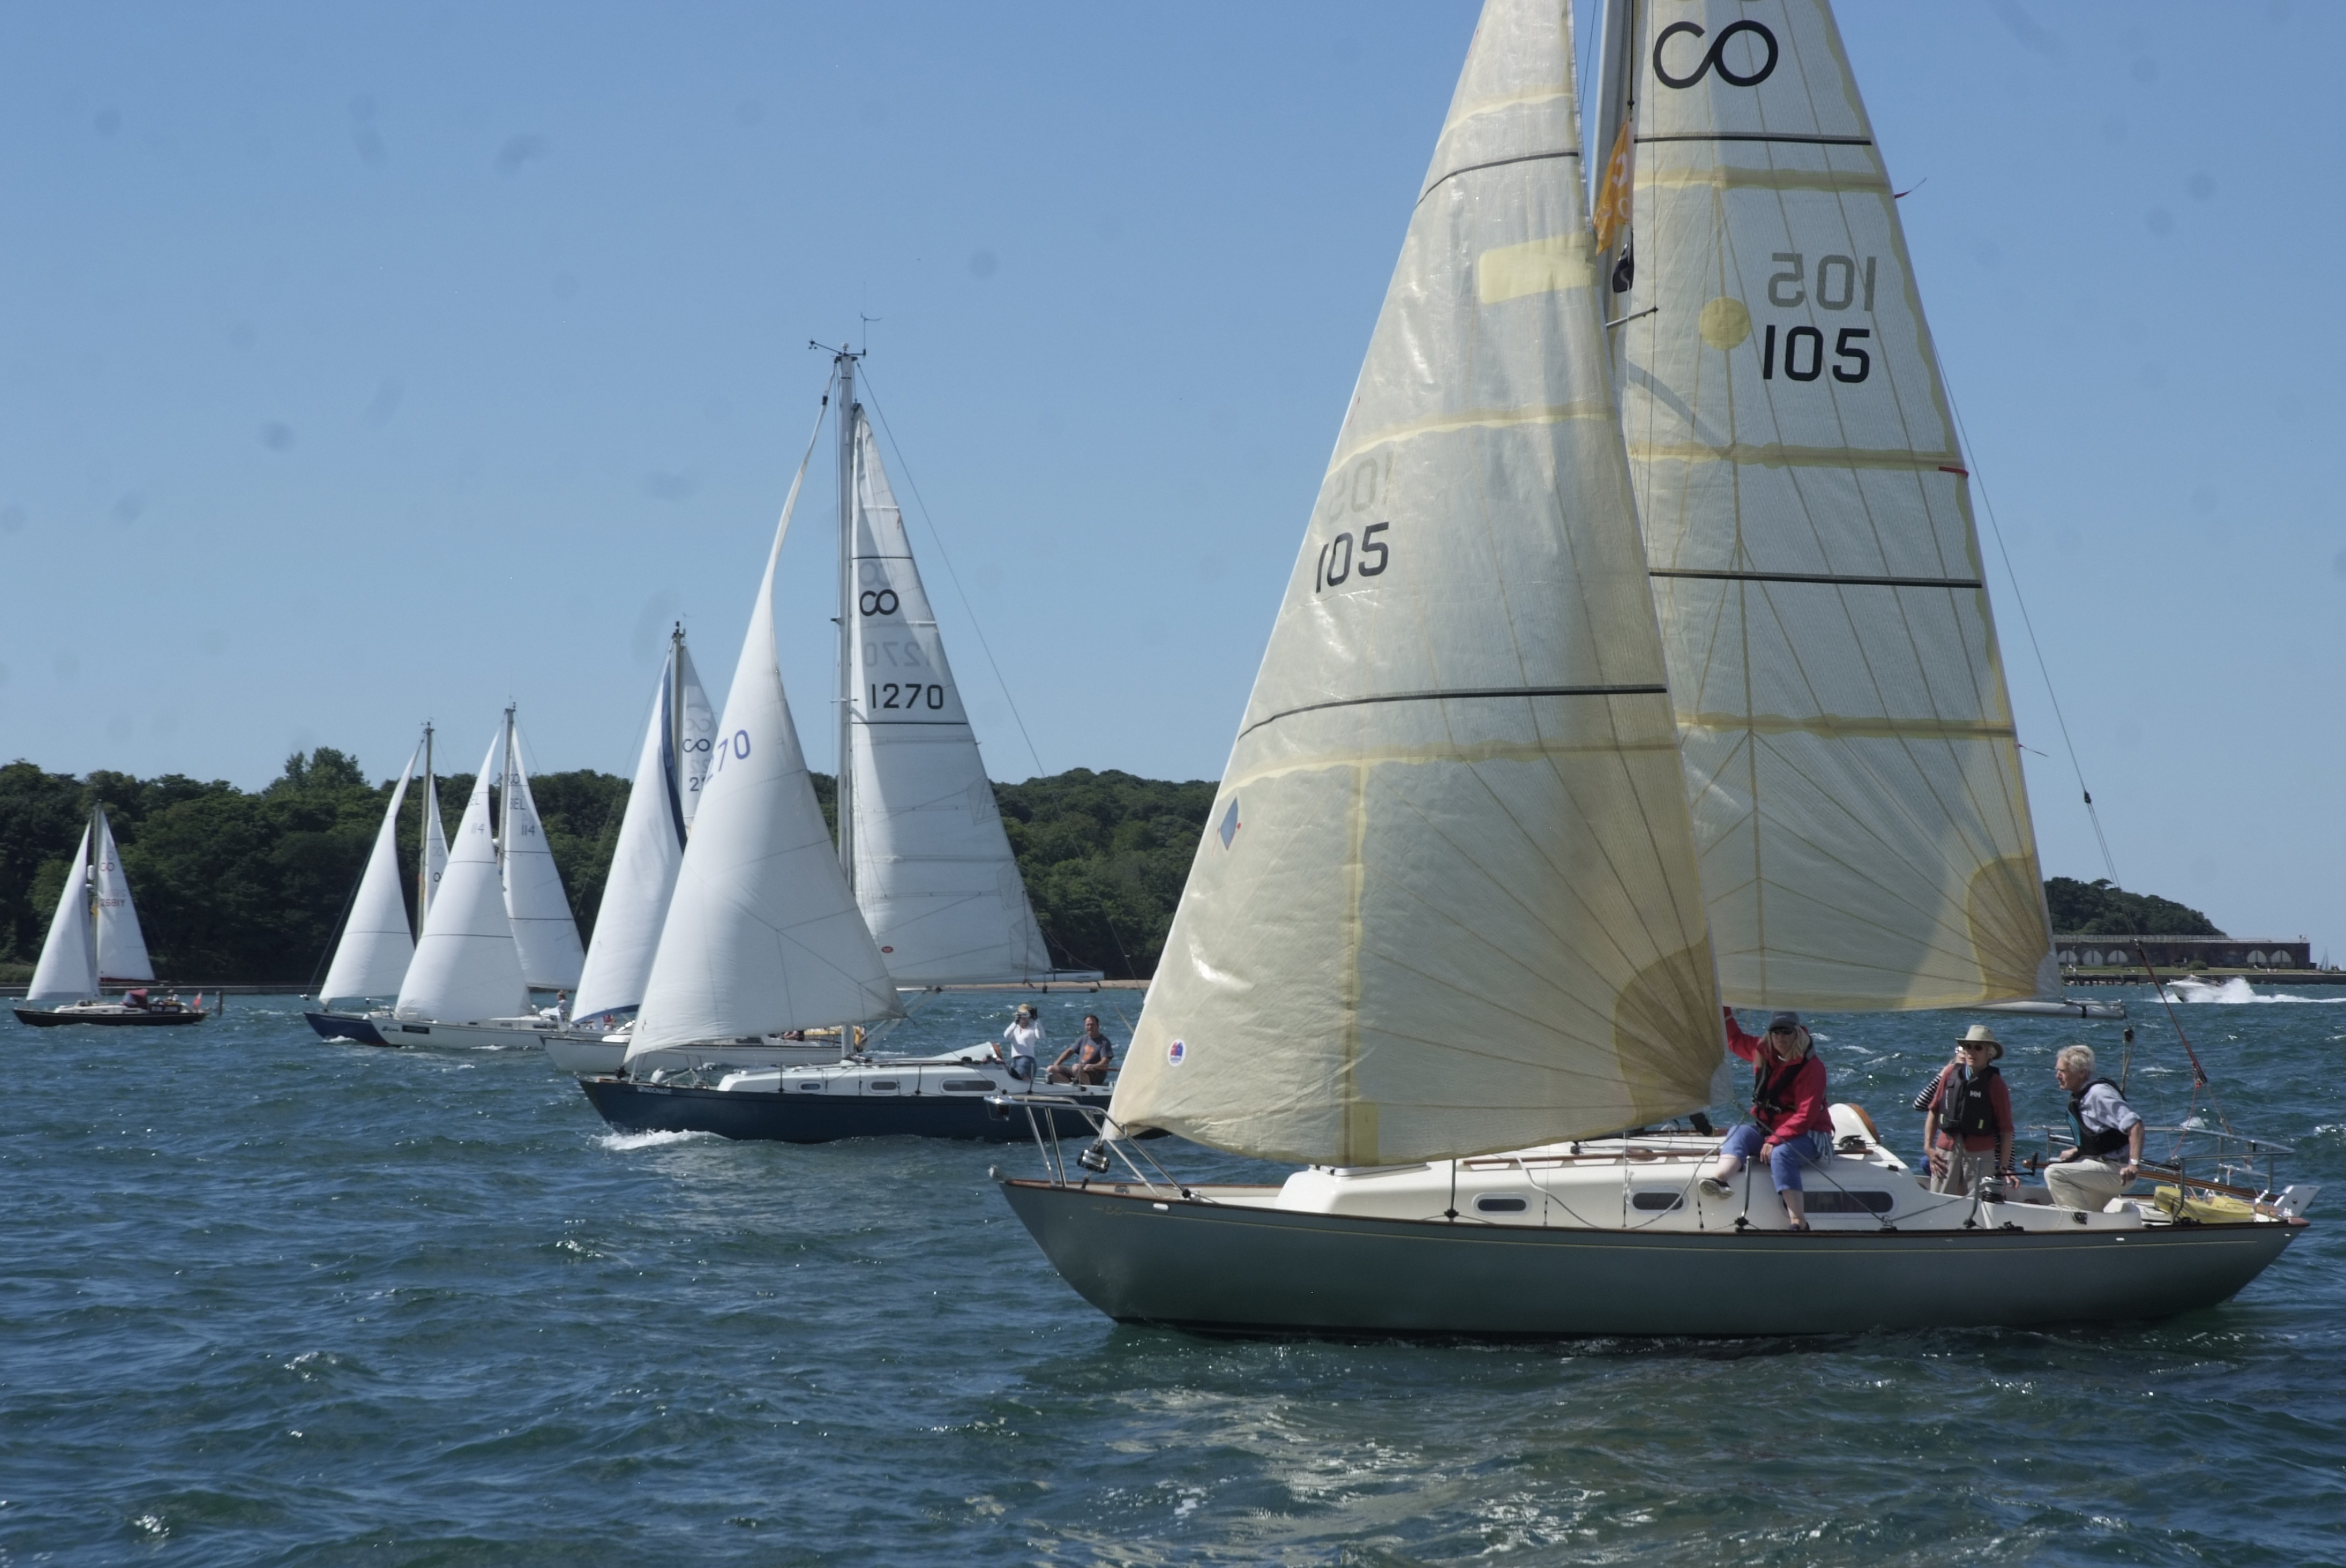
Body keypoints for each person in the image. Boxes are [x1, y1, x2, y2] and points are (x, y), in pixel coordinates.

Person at [1700, 1008, 1833, 1230]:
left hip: (1811, 1135)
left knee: (1782, 1155)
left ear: (1798, 1033)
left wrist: (1775, 1140)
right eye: (1775, 1032)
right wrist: (1722, 1008)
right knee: (1738, 1132)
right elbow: (1735, 1040)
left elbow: (1806, 1115)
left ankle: (1799, 1221)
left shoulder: (1812, 1067)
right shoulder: (1763, 1052)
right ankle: (1720, 1180)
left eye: (1786, 1032)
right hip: (1771, 1131)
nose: (1781, 1037)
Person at [2044, 1043, 2145, 1211]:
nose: (2057, 1076)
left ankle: (2079, 1222)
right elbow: (2100, 1135)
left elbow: (2136, 1125)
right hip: (2101, 1166)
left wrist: (2134, 1165)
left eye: (2063, 1071)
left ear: (2081, 1073)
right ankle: (2090, 1223)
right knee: (2094, 1212)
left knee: (2054, 1173)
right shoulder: (2082, 1096)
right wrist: (2078, 1150)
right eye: (2057, 1071)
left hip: (2117, 1171)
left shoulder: (2099, 1094)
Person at [1920, 1024, 2016, 1195]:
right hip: (1946, 1150)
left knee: (1979, 1202)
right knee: (1940, 1199)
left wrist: (2004, 1168)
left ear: (1989, 1053)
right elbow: (1933, 1110)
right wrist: (1928, 1147)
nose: (1972, 1052)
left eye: (1978, 1048)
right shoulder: (1949, 1074)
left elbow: (2006, 1130)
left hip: (1980, 1153)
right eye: (1968, 1047)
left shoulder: (1996, 1084)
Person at [1048, 1015, 1116, 1084]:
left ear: (1098, 1026)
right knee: (1051, 1069)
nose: (1090, 1027)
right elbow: (1070, 1052)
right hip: (1080, 1071)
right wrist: (1056, 1064)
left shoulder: (1104, 1042)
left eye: (1092, 1025)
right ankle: (1070, 1086)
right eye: (1088, 1025)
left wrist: (1094, 1067)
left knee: (1076, 1068)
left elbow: (1105, 1062)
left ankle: (1088, 1087)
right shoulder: (1083, 1039)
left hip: (1095, 1074)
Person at [1000, 1004, 1046, 1081]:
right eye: (1021, 1015)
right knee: (1015, 1081)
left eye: (1026, 1015)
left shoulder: (1033, 1028)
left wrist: (1036, 1020)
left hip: (1027, 1059)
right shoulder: (1015, 1028)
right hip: (1014, 1060)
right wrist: (1015, 1022)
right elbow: (1007, 1036)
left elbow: (1041, 1036)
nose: (1023, 1017)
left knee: (1023, 1080)